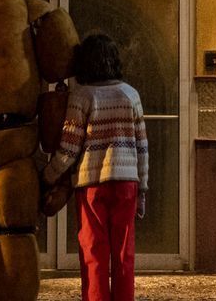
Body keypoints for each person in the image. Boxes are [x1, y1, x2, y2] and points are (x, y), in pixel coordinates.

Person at [42, 33, 149, 301]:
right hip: (127, 183)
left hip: (91, 185)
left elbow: (69, 148)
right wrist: (142, 188)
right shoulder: (131, 95)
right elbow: (142, 147)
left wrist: (48, 175)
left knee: (94, 253)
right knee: (124, 254)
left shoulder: (82, 96)